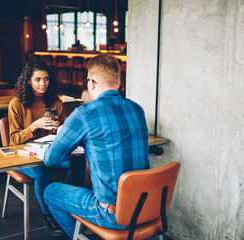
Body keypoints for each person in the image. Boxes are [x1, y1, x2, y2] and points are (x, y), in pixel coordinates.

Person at [43, 54, 150, 238]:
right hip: (148, 206)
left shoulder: (85, 114)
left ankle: (81, 235)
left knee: (51, 191)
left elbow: (51, 159)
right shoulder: (137, 109)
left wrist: (64, 133)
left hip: (113, 215)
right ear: (119, 81)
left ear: (91, 83)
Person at [8, 61, 65, 236]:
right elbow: (13, 140)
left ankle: (66, 207)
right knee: (42, 174)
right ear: (28, 81)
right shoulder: (16, 104)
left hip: (49, 152)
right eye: (38, 79)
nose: (43, 84)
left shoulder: (56, 102)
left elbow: (61, 134)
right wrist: (33, 127)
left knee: (78, 165)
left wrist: (60, 129)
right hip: (24, 155)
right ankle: (49, 215)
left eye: (46, 79)